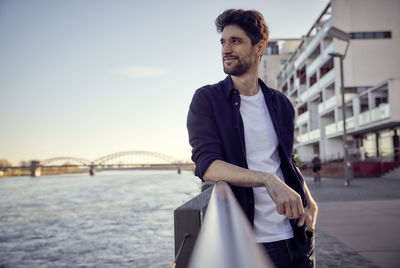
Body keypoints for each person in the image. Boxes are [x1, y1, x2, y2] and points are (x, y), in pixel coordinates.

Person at [187, 9, 318, 268]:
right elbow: (207, 166)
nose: (226, 49)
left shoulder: (280, 103)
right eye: (223, 42)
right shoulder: (207, 100)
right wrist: (267, 180)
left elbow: (285, 160)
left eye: (236, 41)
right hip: (253, 243)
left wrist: (309, 198)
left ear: (260, 47)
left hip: (297, 235)